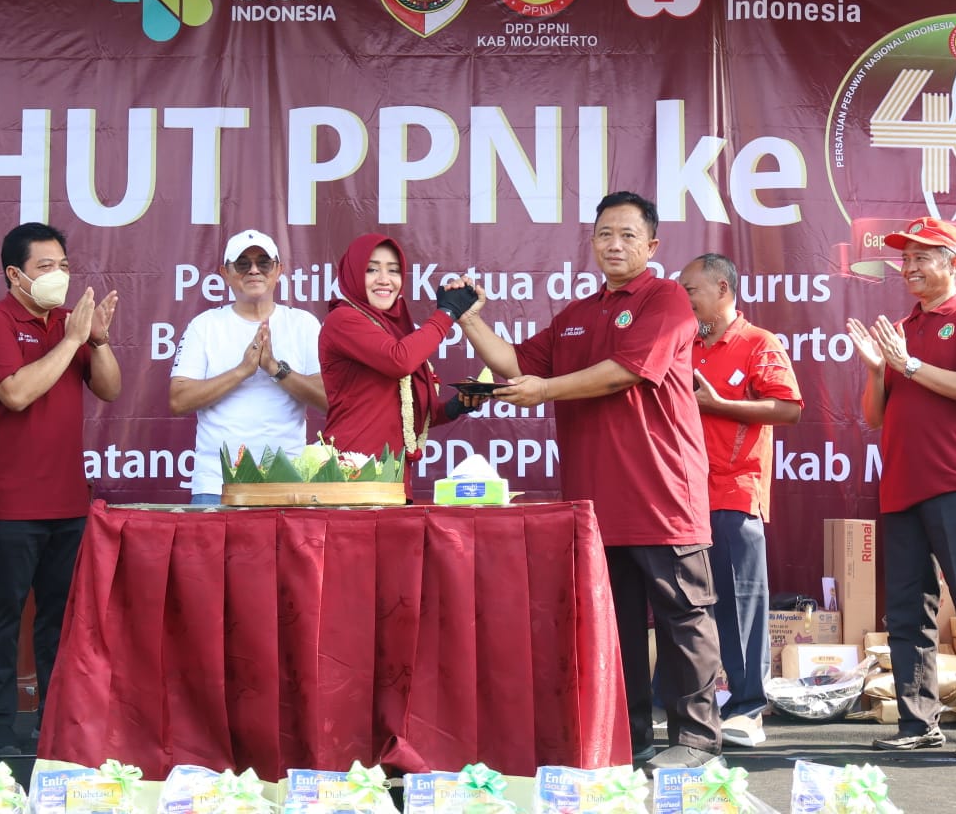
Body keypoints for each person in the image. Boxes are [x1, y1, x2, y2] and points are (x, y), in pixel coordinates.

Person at [451, 191, 724, 771]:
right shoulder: (577, 315)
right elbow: (515, 365)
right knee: (615, 626)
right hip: (597, 504)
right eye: (604, 234)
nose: (614, 245)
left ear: (651, 246)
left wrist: (546, 390)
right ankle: (631, 736)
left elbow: (624, 373)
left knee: (683, 619)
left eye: (627, 235)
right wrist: (469, 317)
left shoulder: (666, 299)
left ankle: (698, 741)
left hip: (662, 494)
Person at [845, 215, 956, 762]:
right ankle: (918, 722)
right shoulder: (901, 328)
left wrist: (910, 364)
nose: (909, 267)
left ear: (953, 264)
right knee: (905, 613)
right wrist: (879, 371)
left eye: (922, 257)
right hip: (901, 488)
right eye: (905, 258)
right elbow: (875, 417)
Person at [0, 222, 121, 756]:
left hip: (67, 501)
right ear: (15, 274)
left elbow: (110, 388)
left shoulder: (68, 323)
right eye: (45, 267)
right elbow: (16, 394)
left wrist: (97, 340)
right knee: (3, 616)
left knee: (60, 618)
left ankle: (53, 722)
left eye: (64, 266)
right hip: (11, 503)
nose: (59, 276)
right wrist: (73, 339)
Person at [678, 253, 802, 749]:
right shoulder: (684, 344)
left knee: (740, 603)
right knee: (686, 605)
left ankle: (749, 708)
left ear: (722, 290)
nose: (683, 299)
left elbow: (789, 409)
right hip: (682, 494)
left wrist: (721, 405)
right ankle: (691, 705)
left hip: (734, 491)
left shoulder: (758, 343)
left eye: (691, 290)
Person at [169, 230, 327, 503]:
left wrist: (276, 369)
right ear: (225, 273)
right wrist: (242, 371)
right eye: (243, 264)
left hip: (288, 483)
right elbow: (178, 400)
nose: (254, 270)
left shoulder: (304, 324)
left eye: (263, 263)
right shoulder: (204, 325)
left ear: (278, 270)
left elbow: (329, 399)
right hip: (217, 484)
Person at [317, 233, 479, 495]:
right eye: (371, 269)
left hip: (394, 479)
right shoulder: (343, 319)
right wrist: (446, 313)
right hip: (351, 476)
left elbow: (406, 413)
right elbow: (399, 360)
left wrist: (454, 406)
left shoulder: (395, 329)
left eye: (393, 270)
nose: (384, 279)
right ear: (353, 273)